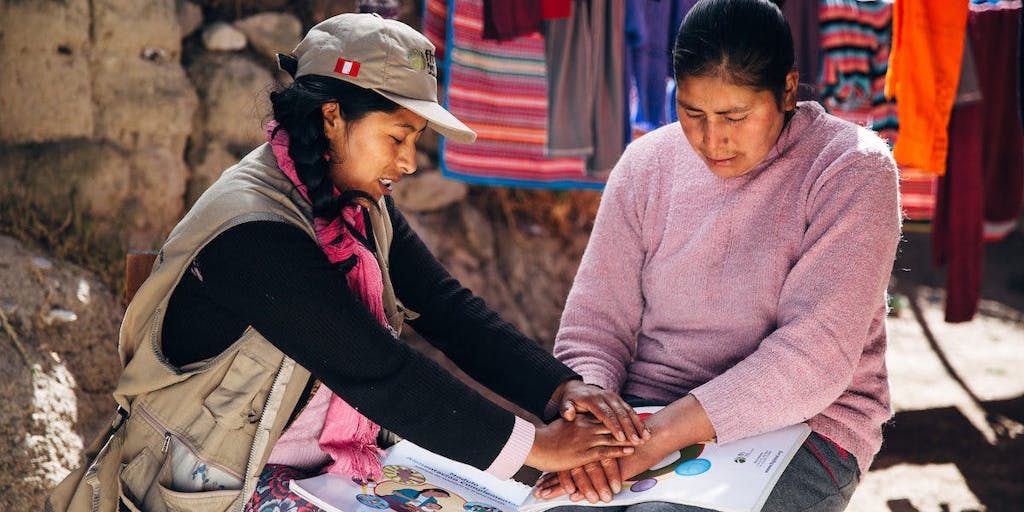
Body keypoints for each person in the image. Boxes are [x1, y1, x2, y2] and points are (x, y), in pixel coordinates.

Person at [46, 13, 648, 512]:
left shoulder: (353, 203)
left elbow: (445, 309)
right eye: (397, 136)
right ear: (332, 116)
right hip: (216, 484)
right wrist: (539, 447)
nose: (409, 162)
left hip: (324, 468)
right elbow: (378, 370)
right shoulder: (254, 228)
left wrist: (558, 388)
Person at [532, 0, 902, 510]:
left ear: (788, 90)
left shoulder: (850, 168)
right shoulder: (646, 165)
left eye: (734, 116)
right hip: (642, 417)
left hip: (805, 425)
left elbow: (813, 356)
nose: (712, 139)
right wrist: (597, 428)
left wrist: (650, 441)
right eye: (692, 112)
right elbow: (594, 328)